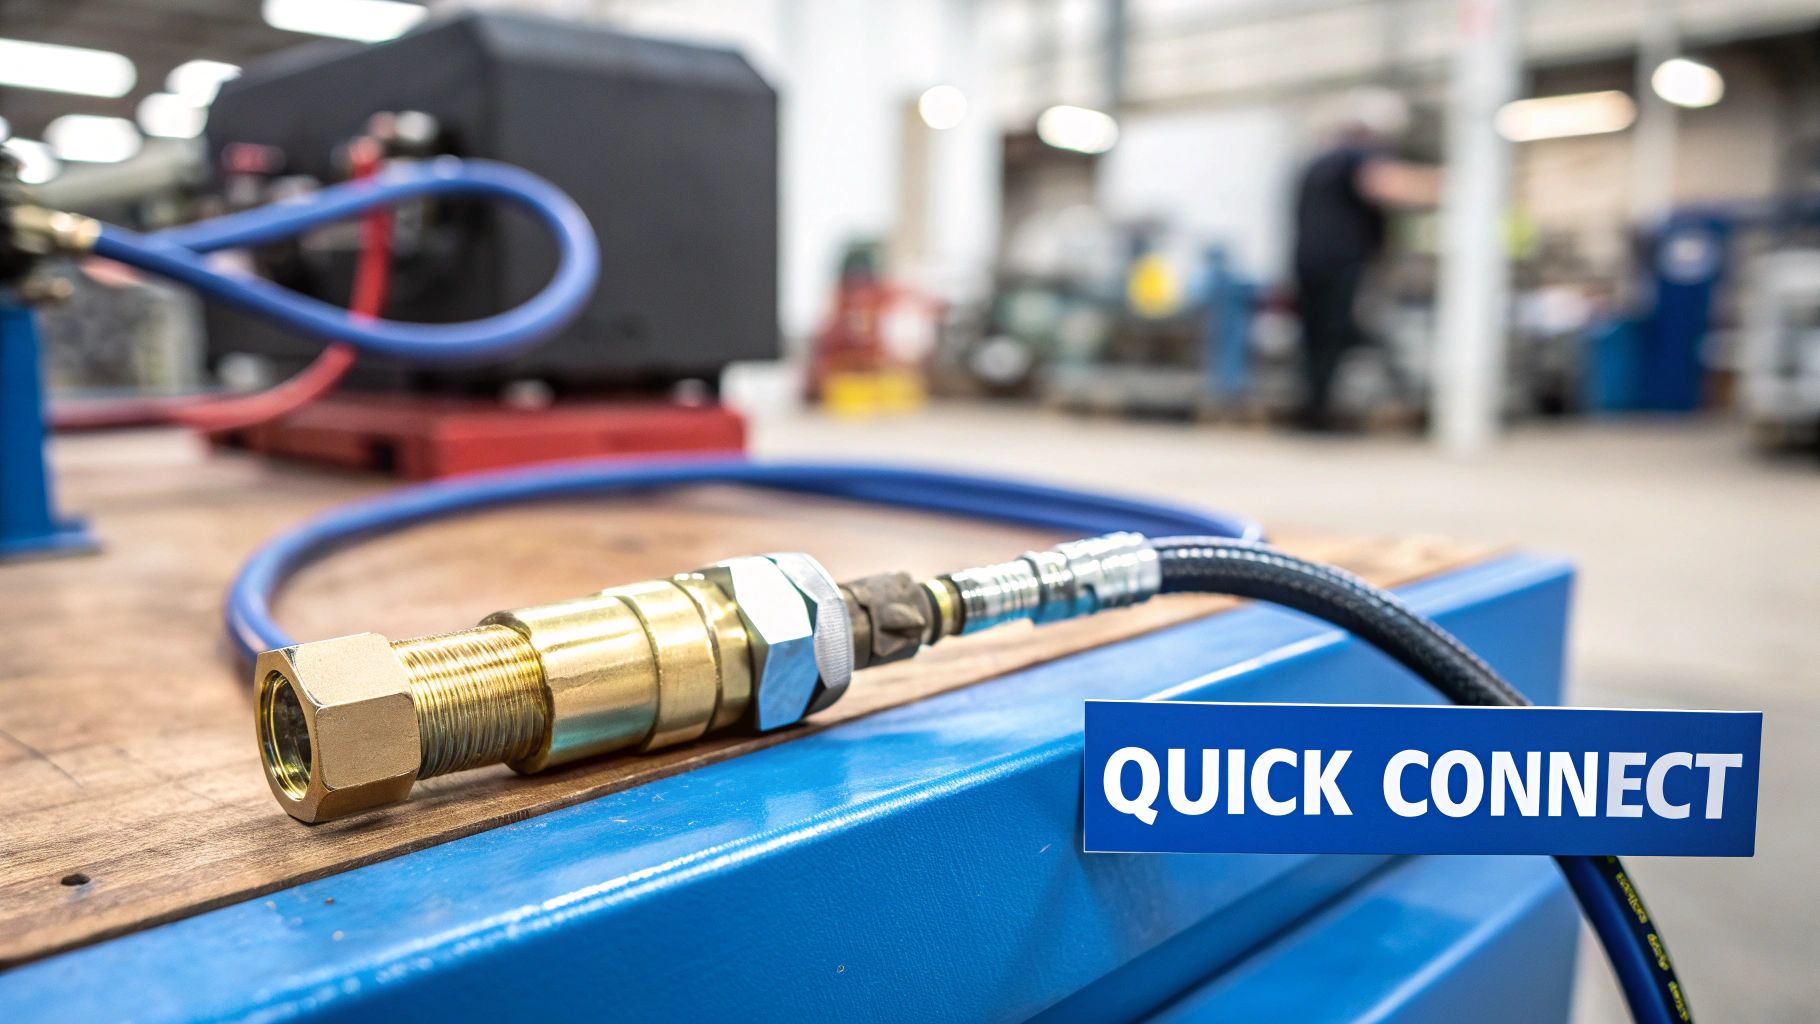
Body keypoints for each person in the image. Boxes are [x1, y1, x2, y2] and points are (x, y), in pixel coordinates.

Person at [1291, 89, 1440, 430]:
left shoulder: (1318, 161)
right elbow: (1388, 186)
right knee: (1344, 333)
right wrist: (1456, 184)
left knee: (1318, 338)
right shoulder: (1357, 158)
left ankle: (1315, 410)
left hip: (1308, 262)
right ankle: (1327, 412)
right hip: (1341, 263)